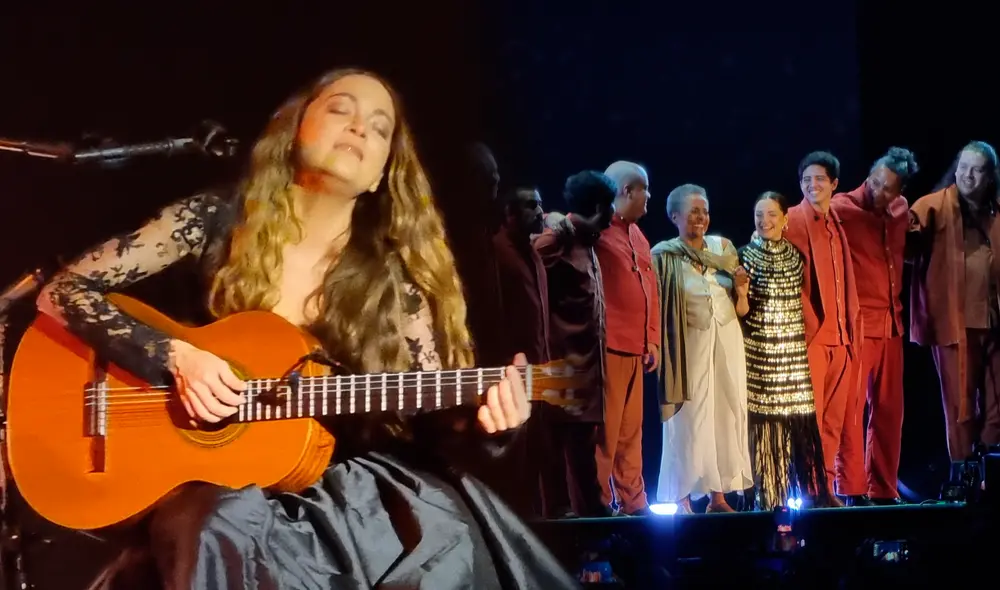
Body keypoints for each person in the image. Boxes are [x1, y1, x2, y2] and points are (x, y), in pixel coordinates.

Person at [38, 68, 577, 589]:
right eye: (340, 109)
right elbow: (62, 291)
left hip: (345, 486)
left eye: (380, 126)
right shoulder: (213, 220)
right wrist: (173, 355)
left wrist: (493, 422)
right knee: (215, 526)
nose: (359, 127)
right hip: (209, 480)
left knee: (440, 538)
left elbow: (430, 420)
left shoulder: (398, 278)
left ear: (382, 174)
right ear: (294, 130)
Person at [652, 183, 753, 514]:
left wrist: (741, 290)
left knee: (724, 415)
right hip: (687, 347)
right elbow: (655, 305)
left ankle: (717, 497)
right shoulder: (663, 255)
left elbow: (741, 309)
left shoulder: (722, 248)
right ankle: (682, 497)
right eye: (693, 211)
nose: (701, 217)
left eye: (705, 211)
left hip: (726, 342)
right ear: (674, 216)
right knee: (688, 419)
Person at [831, 147, 918, 505]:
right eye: (875, 181)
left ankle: (882, 488)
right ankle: (849, 487)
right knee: (851, 412)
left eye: (887, 188)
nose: (876, 191)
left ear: (899, 193)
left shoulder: (900, 210)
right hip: (857, 324)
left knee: (888, 412)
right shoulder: (841, 208)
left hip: (892, 324)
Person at [909, 141, 1000, 463]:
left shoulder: (995, 210)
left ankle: (988, 465)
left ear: (990, 176)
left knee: (996, 407)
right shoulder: (936, 205)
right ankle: (963, 472)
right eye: (963, 168)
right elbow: (904, 237)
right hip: (954, 324)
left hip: (994, 323)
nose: (968, 176)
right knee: (960, 407)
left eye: (977, 170)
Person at [739, 191, 829, 510]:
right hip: (760, 357)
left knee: (792, 432)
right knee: (765, 432)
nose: (765, 221)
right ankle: (767, 497)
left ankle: (797, 496)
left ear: (784, 219)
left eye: (771, 214)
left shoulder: (796, 257)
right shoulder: (746, 256)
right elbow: (742, 311)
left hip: (792, 358)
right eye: (759, 215)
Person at [533, 170, 616, 517]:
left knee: (583, 446)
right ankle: (561, 512)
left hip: (587, 366)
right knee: (557, 446)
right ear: (599, 206)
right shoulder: (558, 241)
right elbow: (527, 279)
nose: (613, 212)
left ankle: (593, 514)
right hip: (562, 363)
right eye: (609, 206)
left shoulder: (587, 240)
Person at [784, 151, 862, 504]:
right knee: (809, 419)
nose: (812, 185)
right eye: (806, 179)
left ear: (834, 184)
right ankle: (809, 487)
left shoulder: (837, 224)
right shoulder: (793, 220)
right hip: (812, 336)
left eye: (819, 179)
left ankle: (825, 485)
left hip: (842, 337)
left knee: (833, 421)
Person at [593, 161, 659, 517]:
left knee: (632, 434)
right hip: (609, 348)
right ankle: (601, 502)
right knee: (607, 433)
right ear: (627, 192)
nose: (650, 196)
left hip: (635, 348)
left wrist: (652, 340)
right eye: (645, 189)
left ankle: (634, 502)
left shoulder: (638, 235)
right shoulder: (599, 231)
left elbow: (651, 290)